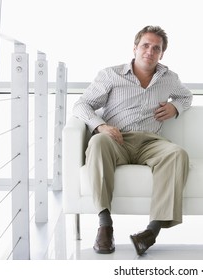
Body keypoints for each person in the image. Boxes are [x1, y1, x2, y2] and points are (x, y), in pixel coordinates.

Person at [73, 25, 193, 255]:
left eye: (156, 48)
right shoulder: (111, 75)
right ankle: (105, 225)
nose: (150, 51)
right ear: (135, 48)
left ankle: (151, 232)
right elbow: (81, 104)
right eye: (145, 45)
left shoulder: (169, 78)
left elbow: (186, 96)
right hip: (117, 139)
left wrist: (174, 107)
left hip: (151, 142)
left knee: (177, 153)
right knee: (97, 142)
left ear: (161, 54)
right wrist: (100, 125)